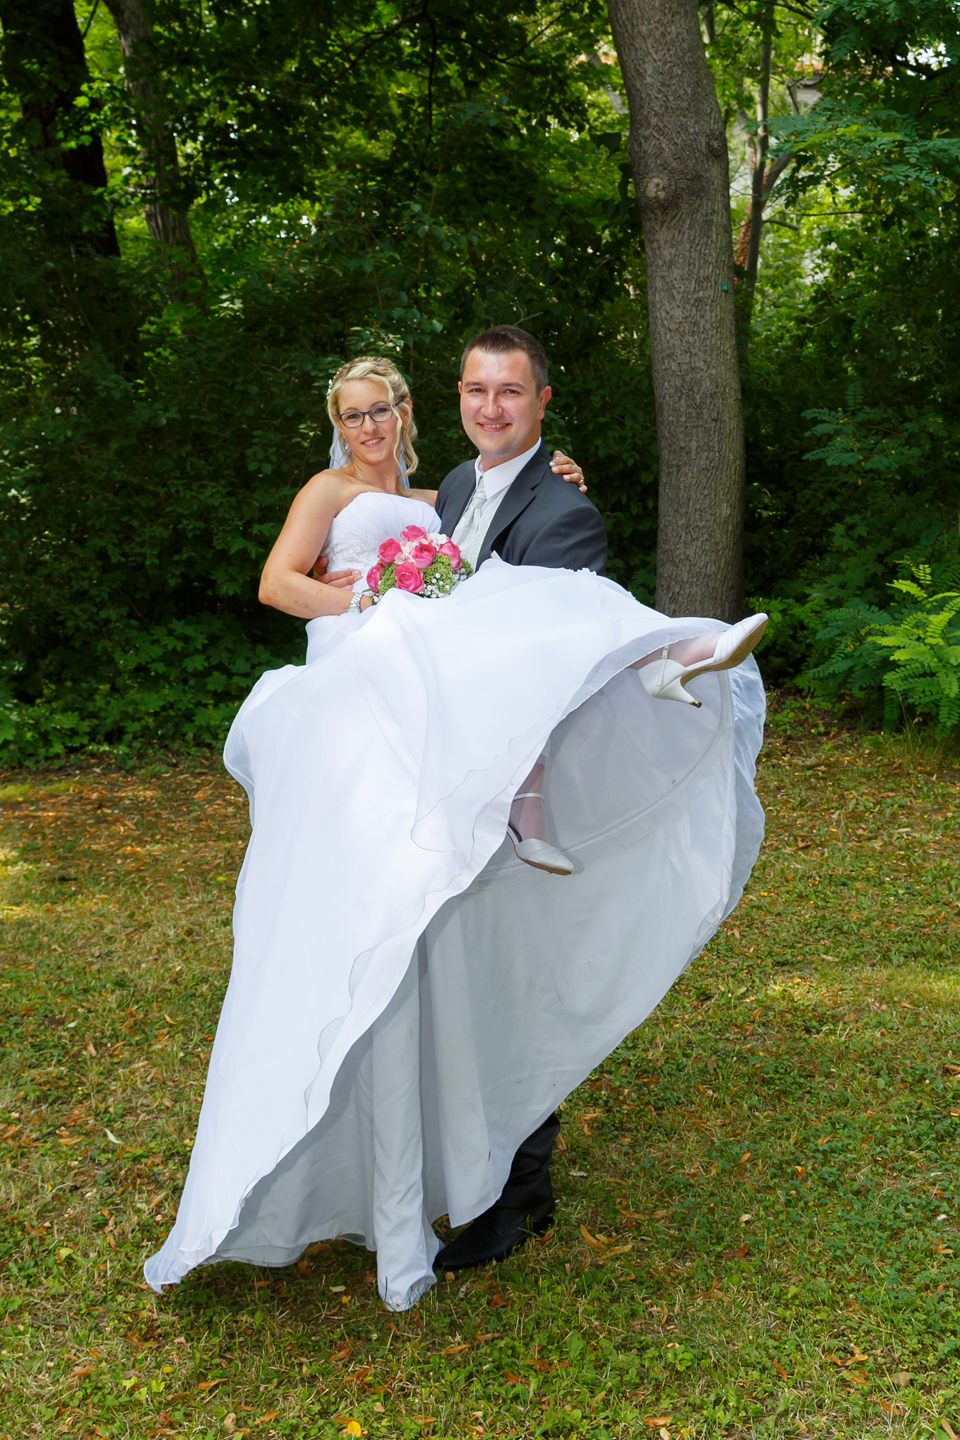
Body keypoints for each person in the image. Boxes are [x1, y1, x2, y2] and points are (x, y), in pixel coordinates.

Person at [145, 342, 767, 1312]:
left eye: (379, 410)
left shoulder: (513, 501)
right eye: (351, 415)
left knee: (482, 962)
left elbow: (530, 625)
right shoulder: (416, 499)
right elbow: (288, 584)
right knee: (384, 953)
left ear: (405, 411)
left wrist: (546, 478)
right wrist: (376, 601)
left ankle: (674, 652)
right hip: (377, 731)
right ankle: (401, 1168)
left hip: (469, 750)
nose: (368, 428)